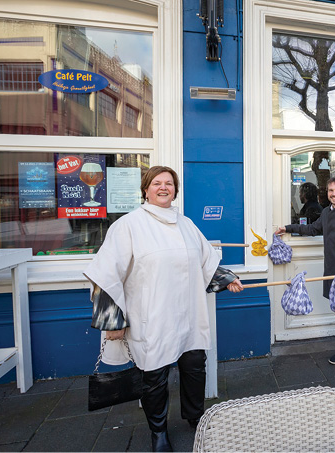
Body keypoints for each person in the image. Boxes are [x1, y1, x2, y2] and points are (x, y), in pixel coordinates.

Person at [84, 166, 243, 452]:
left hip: (189, 313)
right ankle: (158, 432)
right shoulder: (129, 225)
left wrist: (226, 277)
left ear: (175, 190)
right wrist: (112, 320)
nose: (163, 187)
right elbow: (106, 272)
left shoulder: (186, 223)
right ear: (145, 189)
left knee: (195, 366)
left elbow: (204, 259)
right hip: (153, 317)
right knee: (155, 377)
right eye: (156, 183)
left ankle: (196, 417)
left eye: (169, 183)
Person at [276, 176, 335, 374]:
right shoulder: (326, 212)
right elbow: (312, 229)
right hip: (331, 273)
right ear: (326, 193)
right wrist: (288, 228)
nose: (334, 194)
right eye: (330, 191)